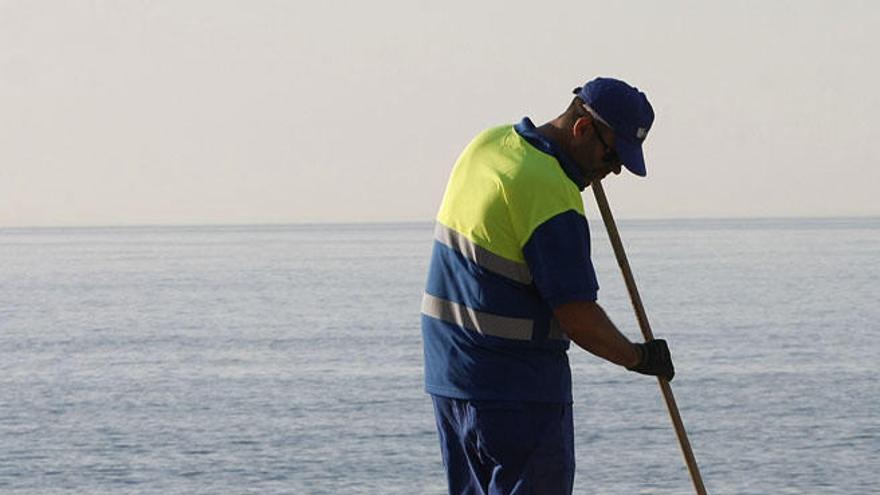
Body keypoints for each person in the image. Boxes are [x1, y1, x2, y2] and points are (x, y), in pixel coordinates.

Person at [420, 77, 675, 495]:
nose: (610, 172)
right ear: (581, 129)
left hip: (451, 378)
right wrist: (639, 357)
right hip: (517, 393)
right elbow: (577, 318)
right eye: (612, 157)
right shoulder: (550, 193)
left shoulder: (489, 145)